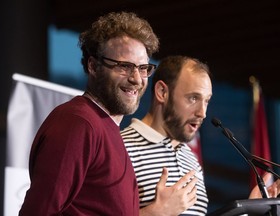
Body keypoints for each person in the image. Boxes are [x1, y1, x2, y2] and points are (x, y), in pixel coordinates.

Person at [19, 11, 159, 215]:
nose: (136, 79)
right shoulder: (79, 123)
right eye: (125, 66)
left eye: (143, 68)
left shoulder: (104, 127)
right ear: (93, 66)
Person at [121, 55, 280, 216]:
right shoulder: (122, 148)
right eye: (193, 98)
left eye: (206, 101)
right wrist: (154, 213)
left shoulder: (190, 158)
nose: (202, 113)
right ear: (162, 92)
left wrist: (249, 210)